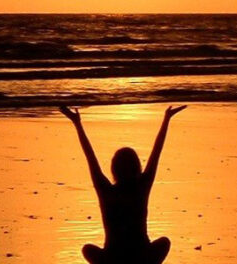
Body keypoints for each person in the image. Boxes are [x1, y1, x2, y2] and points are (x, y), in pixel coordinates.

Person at [58, 104, 186, 264]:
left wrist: (77, 123)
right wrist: (166, 119)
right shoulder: (141, 187)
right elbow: (156, 153)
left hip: (113, 257)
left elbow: (90, 157)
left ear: (114, 168)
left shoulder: (106, 190)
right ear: (136, 167)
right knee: (164, 242)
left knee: (87, 249)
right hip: (142, 256)